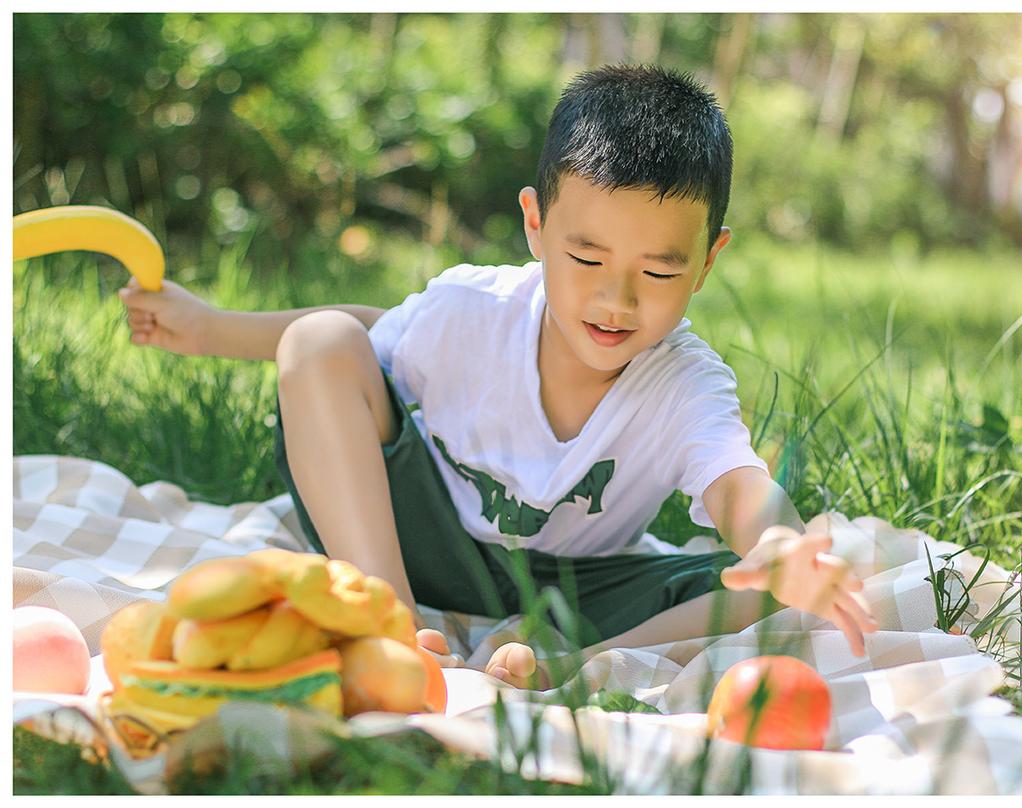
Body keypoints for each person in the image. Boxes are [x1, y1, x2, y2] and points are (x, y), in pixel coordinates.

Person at [118, 64, 876, 688]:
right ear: (535, 226)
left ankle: (561, 667)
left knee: (756, 590)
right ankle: (387, 622)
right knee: (320, 341)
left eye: (658, 270)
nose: (616, 300)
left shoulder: (685, 384)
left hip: (576, 586)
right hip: (422, 537)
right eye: (586, 260)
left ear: (708, 261)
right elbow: (350, 343)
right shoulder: (471, 310)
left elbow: (737, 481)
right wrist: (210, 328)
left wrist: (779, 540)